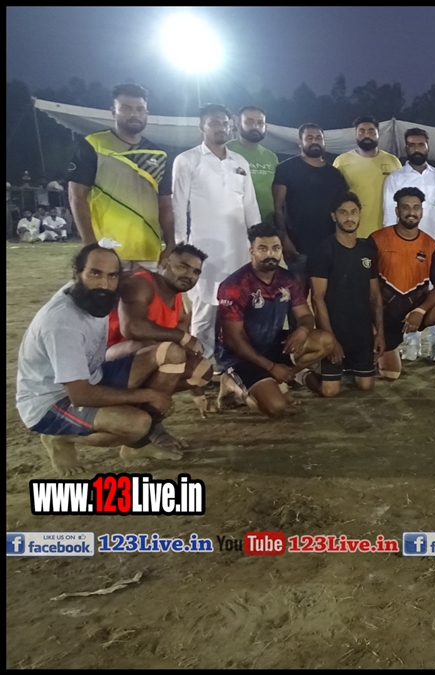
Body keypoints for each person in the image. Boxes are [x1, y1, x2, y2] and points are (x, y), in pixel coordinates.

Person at [17, 245, 187, 476]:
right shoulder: (62, 324)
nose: (104, 284)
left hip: (92, 375)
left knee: (172, 353)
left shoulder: (94, 297)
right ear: (77, 273)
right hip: (53, 400)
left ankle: (136, 446)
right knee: (138, 423)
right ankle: (60, 438)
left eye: (112, 275)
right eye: (95, 273)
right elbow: (81, 395)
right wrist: (148, 395)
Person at [215, 223, 335, 417]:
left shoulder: (287, 279)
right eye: (263, 249)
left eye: (275, 248)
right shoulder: (235, 285)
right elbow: (233, 340)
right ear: (252, 251)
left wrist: (302, 330)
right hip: (240, 355)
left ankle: (284, 377)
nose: (270, 254)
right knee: (275, 407)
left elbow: (305, 316)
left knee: (325, 341)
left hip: (271, 345)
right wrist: (271, 367)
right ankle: (229, 382)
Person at [172, 103, 260, 359]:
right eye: (215, 123)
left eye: (225, 123)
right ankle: (203, 365)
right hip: (204, 249)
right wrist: (180, 246)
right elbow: (178, 205)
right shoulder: (187, 160)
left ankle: (236, 362)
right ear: (202, 126)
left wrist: (257, 242)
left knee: (239, 308)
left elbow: (250, 205)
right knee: (204, 311)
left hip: (239, 248)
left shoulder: (239, 161)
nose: (222, 128)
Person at [67, 83, 175, 269]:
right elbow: (77, 196)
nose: (134, 114)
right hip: (106, 249)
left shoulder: (159, 154)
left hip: (149, 251)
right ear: (113, 111)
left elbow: (165, 205)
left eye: (140, 109)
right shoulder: (94, 144)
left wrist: (171, 243)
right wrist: (90, 244)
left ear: (146, 113)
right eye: (126, 108)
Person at [374, 187, 435, 390]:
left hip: (415, 310)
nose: (411, 212)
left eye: (416, 207)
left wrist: (420, 310)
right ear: (397, 210)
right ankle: (383, 349)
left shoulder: (431, 246)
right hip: (383, 316)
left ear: (422, 211)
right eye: (406, 207)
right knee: (390, 375)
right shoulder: (377, 240)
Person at [107, 244, 215, 417]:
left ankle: (148, 416)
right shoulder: (141, 283)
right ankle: (129, 408)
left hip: (145, 359)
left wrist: (199, 396)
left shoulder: (176, 296)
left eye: (196, 272)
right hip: (109, 360)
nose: (189, 275)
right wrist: (183, 337)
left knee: (201, 369)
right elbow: (132, 328)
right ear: (165, 264)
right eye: (183, 267)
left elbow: (182, 346)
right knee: (169, 351)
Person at [310, 192, 385, 397]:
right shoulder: (324, 251)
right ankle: (306, 376)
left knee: (366, 386)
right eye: (343, 212)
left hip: (361, 331)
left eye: (353, 212)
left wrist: (380, 333)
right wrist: (331, 340)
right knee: (330, 392)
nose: (349, 217)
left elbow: (375, 296)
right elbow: (317, 298)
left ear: (359, 215)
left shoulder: (367, 249)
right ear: (334, 216)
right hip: (335, 329)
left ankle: (352, 368)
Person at [382, 127, 435, 362]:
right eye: (412, 145)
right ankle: (411, 343)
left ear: (428, 146)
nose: (416, 149)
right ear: (406, 148)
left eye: (421, 144)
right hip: (405, 247)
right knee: (407, 295)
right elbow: (389, 216)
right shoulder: (395, 178)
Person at [272, 123, 349, 287]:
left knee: (329, 295)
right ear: (300, 142)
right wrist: (284, 239)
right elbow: (278, 207)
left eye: (319, 137)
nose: (315, 141)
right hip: (297, 247)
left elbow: (342, 209)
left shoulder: (335, 174)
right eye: (309, 138)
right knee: (297, 297)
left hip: (328, 247)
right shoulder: (286, 168)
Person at [333, 116, 401, 239]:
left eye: (371, 131)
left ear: (378, 133)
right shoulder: (342, 161)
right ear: (355, 134)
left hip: (386, 232)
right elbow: (335, 198)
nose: (366, 135)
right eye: (362, 131)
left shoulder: (393, 161)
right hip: (354, 233)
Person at [226, 105, 279, 226]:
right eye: (249, 122)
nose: (255, 127)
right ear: (238, 124)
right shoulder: (224, 151)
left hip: (266, 224)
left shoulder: (271, 157)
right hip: (234, 224)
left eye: (260, 123)